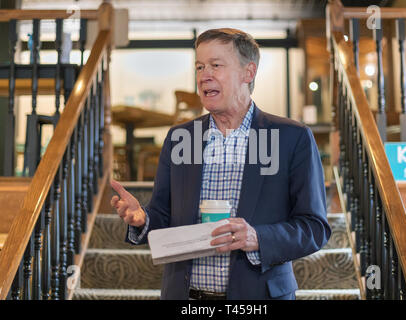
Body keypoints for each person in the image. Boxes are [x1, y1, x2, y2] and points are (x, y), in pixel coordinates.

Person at [110, 28, 331, 300]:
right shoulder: (181, 138)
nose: (205, 75)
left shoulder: (291, 137)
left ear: (248, 73)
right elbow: (163, 216)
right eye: (200, 66)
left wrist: (257, 238)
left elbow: (314, 227)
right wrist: (143, 219)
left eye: (216, 65)